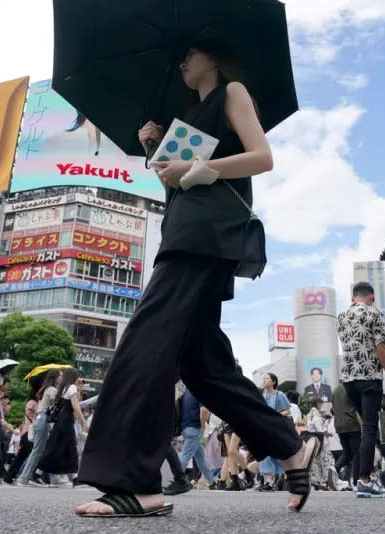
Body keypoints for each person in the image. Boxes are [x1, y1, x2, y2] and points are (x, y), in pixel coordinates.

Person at [75, 43, 320, 518]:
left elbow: (261, 157)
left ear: (213, 54)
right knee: (203, 365)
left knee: (145, 344)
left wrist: (196, 167)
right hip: (184, 232)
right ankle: (289, 445)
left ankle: (138, 484)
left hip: (205, 241)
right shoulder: (187, 116)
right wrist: (155, 148)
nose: (182, 62)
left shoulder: (232, 93)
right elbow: (175, 183)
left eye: (188, 54)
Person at [337, 281, 385, 498]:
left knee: (365, 427)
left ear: (353, 297)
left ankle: (369, 476)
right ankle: (364, 479)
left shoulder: (342, 317)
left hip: (348, 379)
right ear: (371, 296)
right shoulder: (375, 314)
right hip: (369, 377)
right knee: (370, 428)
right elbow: (381, 348)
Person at [39, 369, 89, 487]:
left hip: (60, 422)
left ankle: (38, 472)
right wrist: (84, 422)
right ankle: (76, 479)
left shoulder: (63, 388)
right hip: (66, 422)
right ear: (73, 377)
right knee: (69, 448)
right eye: (78, 377)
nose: (79, 379)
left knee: (55, 448)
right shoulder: (71, 388)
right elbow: (75, 407)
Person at [18, 368, 62, 486]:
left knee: (46, 450)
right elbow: (58, 403)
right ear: (55, 377)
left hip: (41, 420)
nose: (62, 378)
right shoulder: (52, 389)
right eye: (60, 375)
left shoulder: (47, 389)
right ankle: (25, 477)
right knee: (38, 451)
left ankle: (51, 477)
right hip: (43, 420)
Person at [177, 387, 216, 490]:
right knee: (186, 456)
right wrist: (202, 427)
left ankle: (212, 482)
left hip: (185, 428)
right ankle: (177, 480)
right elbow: (204, 410)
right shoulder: (200, 390)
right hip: (195, 428)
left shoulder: (186, 392)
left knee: (200, 459)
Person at [5, 377, 42, 484]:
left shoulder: (33, 402)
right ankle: (29, 476)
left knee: (21, 457)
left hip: (27, 432)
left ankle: (9, 477)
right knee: (32, 455)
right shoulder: (32, 402)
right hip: (29, 433)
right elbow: (38, 412)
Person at [332, 381, 361, 486]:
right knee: (357, 454)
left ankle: (334, 468)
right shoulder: (352, 389)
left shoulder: (335, 390)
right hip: (352, 425)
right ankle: (357, 482)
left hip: (339, 425)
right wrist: (362, 425)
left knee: (347, 453)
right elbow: (357, 409)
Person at [305, 397, 334, 490]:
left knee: (315, 462)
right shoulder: (317, 417)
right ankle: (323, 482)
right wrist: (329, 434)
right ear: (318, 403)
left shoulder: (310, 415)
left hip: (312, 442)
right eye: (321, 403)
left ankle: (315, 481)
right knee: (324, 462)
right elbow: (321, 431)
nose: (322, 406)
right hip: (321, 442)